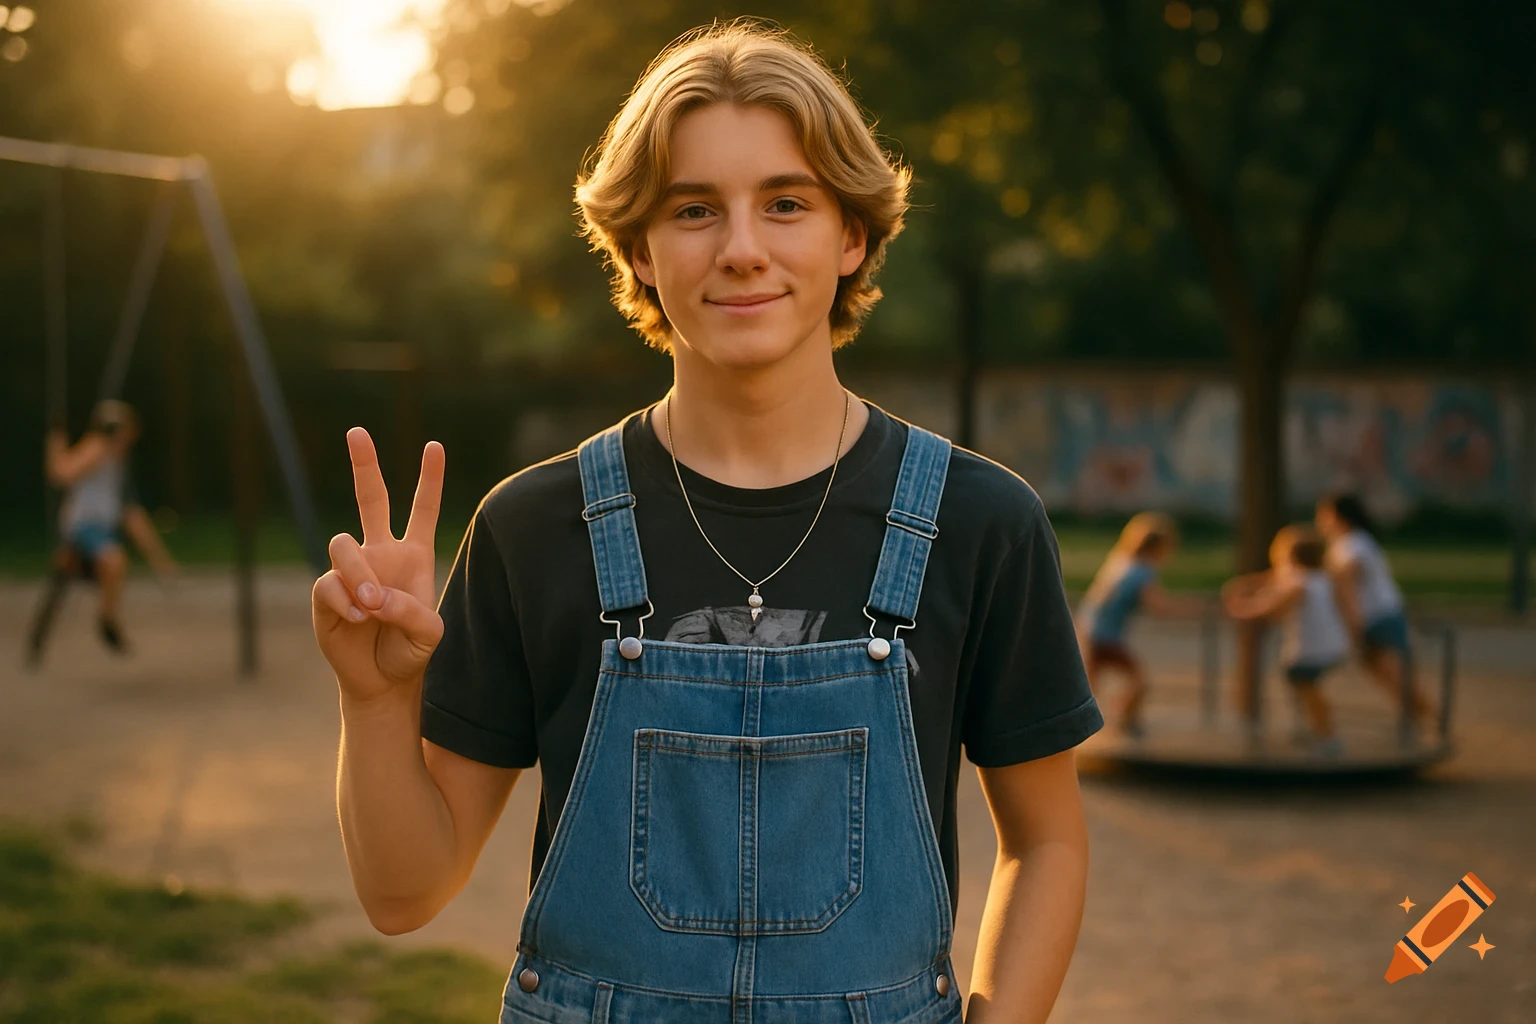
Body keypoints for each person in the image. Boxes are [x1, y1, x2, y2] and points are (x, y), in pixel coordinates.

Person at [312, 23, 1102, 1024]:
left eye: (785, 202)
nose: (740, 248)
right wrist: (374, 703)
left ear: (851, 234)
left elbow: (1048, 842)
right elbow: (402, 891)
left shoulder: (980, 522)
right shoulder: (531, 527)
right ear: (639, 247)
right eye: (694, 210)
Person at [28, 400, 177, 663]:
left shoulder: (117, 462)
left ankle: (38, 642)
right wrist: (55, 442)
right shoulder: (97, 449)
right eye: (126, 434)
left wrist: (159, 560)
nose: (129, 441)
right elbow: (60, 473)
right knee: (114, 560)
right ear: (115, 431)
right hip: (83, 528)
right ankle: (107, 622)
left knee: (65, 578)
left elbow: (133, 517)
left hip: (98, 530)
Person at [1221, 525, 1350, 757]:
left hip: (1313, 650)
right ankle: (1313, 729)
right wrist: (1246, 585)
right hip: (1329, 645)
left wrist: (1240, 609)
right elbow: (1271, 579)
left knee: (1308, 688)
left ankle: (1328, 737)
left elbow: (1272, 609)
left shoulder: (1298, 584)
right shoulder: (1317, 577)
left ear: (1289, 557)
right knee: (1303, 687)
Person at [1315, 492, 1430, 737]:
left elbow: (1347, 584)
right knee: (1390, 676)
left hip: (1378, 617)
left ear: (1339, 517)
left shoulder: (1352, 544)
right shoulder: (1351, 542)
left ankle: (1430, 722)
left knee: (1398, 678)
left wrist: (1354, 626)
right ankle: (1420, 721)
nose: (1320, 521)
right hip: (1381, 615)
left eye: (1324, 515)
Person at [1076, 512, 1200, 738]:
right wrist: (1193, 609)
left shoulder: (1120, 562)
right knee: (1139, 681)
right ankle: (1124, 719)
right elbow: (1159, 606)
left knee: (1091, 685)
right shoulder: (1142, 572)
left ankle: (1096, 724)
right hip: (1106, 636)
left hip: (1091, 629)